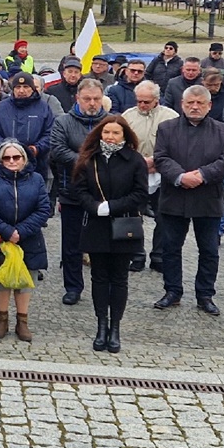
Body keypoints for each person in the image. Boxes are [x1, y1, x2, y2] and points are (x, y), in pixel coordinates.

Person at [152, 85, 224, 316]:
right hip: (174, 197)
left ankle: (205, 294)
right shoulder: (166, 128)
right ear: (182, 104)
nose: (195, 107)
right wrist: (180, 176)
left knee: (209, 250)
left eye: (200, 103)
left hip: (207, 198)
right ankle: (172, 291)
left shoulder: (223, 131)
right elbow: (161, 157)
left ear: (209, 105)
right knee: (170, 248)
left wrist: (202, 175)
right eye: (190, 103)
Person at [73, 115, 149, 353]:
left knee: (119, 278)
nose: (110, 137)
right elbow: (80, 189)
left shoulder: (135, 160)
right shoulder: (89, 159)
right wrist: (95, 207)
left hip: (124, 225)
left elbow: (140, 194)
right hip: (96, 225)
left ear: (124, 135)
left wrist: (112, 207)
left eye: (115, 133)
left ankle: (115, 327)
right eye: (107, 132)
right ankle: (101, 325)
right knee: (99, 277)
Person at [0, 141, 52, 343]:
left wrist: (21, 231)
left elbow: (44, 209)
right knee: (0, 278)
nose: (11, 161)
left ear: (24, 159)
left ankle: (22, 321)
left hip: (29, 237)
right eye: (6, 158)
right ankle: (2, 319)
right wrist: (7, 231)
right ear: (0, 160)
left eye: (16, 157)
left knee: (26, 280)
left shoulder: (36, 179)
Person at [49, 78, 110, 305]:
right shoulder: (63, 122)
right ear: (78, 99)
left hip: (104, 192)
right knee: (72, 244)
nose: (92, 103)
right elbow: (58, 151)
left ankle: (101, 286)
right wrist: (89, 162)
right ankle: (73, 287)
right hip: (71, 189)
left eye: (96, 99)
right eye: (87, 99)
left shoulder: (111, 121)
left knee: (101, 243)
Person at [124, 81, 178, 272]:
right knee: (133, 217)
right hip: (135, 174)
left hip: (162, 173)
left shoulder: (171, 117)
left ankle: (159, 256)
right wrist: (139, 163)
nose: (142, 106)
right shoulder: (127, 117)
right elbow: (120, 145)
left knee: (163, 217)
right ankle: (136, 255)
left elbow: (178, 146)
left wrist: (157, 161)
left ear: (156, 100)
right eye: (139, 101)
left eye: (146, 102)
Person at [0, 71, 54, 172]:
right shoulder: (2, 107)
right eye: (18, 87)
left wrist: (36, 149)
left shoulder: (43, 107)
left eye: (26, 87)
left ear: (32, 88)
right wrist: (4, 147)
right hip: (5, 163)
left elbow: (50, 133)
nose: (21, 91)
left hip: (35, 164)